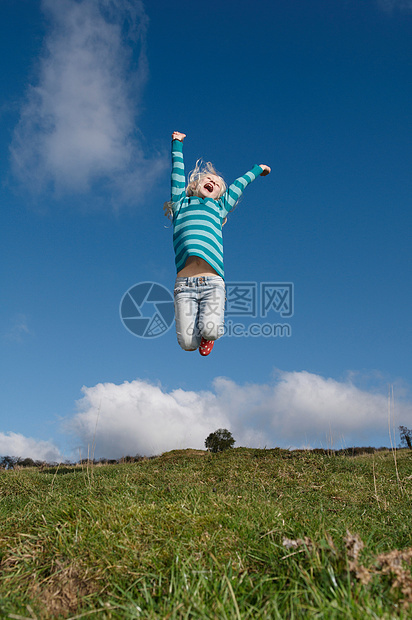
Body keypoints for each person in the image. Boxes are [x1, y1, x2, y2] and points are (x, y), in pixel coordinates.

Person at [164, 131, 271, 356]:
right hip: (184, 286)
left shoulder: (218, 208)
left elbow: (238, 186)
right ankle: (200, 336)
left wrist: (257, 169)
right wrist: (177, 144)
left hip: (213, 282)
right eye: (208, 179)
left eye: (217, 185)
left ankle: (209, 335)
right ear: (194, 185)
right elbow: (176, 173)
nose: (212, 182)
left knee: (211, 331)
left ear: (219, 196)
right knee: (188, 345)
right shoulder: (180, 204)